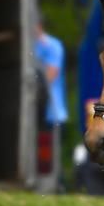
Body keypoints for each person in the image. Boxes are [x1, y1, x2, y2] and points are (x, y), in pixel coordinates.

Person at [35, 18, 68, 189]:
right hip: (36, 111)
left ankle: (56, 186)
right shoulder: (32, 47)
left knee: (50, 157)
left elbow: (50, 75)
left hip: (51, 110)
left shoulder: (52, 46)